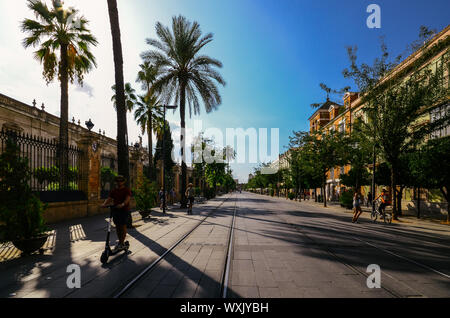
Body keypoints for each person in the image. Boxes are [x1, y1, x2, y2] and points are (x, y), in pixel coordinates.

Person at [101, 175, 131, 251]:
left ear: (123, 181)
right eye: (117, 181)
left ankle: (121, 242)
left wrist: (123, 204)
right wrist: (104, 204)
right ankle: (121, 242)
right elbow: (109, 198)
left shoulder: (126, 190)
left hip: (124, 210)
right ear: (116, 182)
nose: (119, 182)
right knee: (117, 226)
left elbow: (127, 199)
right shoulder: (114, 191)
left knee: (123, 226)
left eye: (121, 180)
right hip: (116, 210)